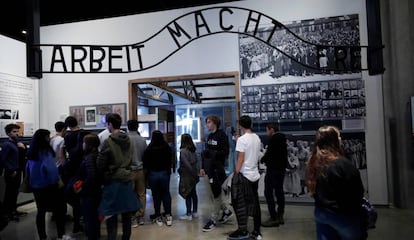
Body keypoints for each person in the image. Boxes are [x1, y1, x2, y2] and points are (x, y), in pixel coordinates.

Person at [306, 125, 365, 240]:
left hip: (321, 213)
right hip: (342, 215)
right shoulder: (343, 164)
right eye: (338, 136)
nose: (340, 139)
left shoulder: (313, 163)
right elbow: (358, 192)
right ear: (333, 140)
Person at [97, 113, 140, 240]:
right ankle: (126, 237)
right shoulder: (129, 140)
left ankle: (112, 237)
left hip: (113, 180)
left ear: (110, 124)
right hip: (127, 178)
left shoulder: (108, 142)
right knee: (126, 213)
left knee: (111, 214)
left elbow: (101, 163)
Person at [26, 129, 67, 240]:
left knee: (41, 211)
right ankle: (61, 235)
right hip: (49, 186)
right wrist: (58, 182)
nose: (50, 139)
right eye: (48, 137)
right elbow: (50, 169)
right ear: (44, 138)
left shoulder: (32, 153)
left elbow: (28, 170)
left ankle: (42, 236)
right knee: (59, 211)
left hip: (36, 187)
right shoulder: (45, 152)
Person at [228, 115, 262, 240]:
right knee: (255, 202)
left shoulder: (242, 140)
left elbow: (241, 158)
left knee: (242, 204)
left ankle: (243, 230)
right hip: (255, 174)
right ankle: (257, 231)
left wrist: (236, 173)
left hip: (245, 175)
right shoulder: (256, 138)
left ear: (240, 126)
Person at [201, 115, 232, 232]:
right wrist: (203, 166)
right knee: (212, 195)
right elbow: (207, 154)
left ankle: (213, 219)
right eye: (207, 122)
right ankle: (226, 211)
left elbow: (225, 152)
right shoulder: (209, 136)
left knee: (216, 194)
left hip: (218, 170)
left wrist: (213, 153)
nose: (207, 124)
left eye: (209, 122)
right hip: (210, 169)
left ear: (215, 123)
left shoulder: (221, 135)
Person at [62, 116, 89, 233]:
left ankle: (77, 222)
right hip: (84, 167)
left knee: (73, 195)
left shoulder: (67, 137)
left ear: (67, 125)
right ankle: (84, 220)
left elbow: (67, 152)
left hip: (72, 169)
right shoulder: (85, 133)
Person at [143, 130, 173, 227]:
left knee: (156, 196)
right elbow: (170, 159)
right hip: (164, 173)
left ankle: (158, 216)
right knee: (166, 194)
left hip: (153, 174)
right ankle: (168, 215)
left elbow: (145, 161)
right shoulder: (166, 147)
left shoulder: (150, 148)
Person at [260, 122, 288, 227]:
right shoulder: (282, 139)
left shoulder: (273, 139)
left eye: (267, 130)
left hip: (272, 169)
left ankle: (273, 216)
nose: (266, 132)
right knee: (279, 191)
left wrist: (263, 159)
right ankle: (280, 215)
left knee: (268, 192)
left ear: (271, 129)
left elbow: (269, 153)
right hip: (280, 169)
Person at [75, 134, 101, 240]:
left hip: (89, 192)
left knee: (89, 219)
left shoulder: (89, 157)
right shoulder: (97, 155)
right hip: (96, 191)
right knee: (95, 219)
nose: (82, 145)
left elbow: (91, 174)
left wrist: (83, 186)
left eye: (84, 143)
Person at [0, 123, 27, 221]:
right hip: (11, 172)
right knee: (10, 193)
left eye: (17, 131)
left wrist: (22, 149)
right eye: (14, 132)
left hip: (17, 171)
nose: (17, 134)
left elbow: (20, 157)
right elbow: (3, 159)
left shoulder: (16, 143)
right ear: (8, 133)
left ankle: (13, 210)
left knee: (15, 192)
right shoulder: (7, 145)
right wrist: (11, 170)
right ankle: (8, 213)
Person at [127, 119, 148, 227]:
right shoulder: (142, 140)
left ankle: (132, 217)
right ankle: (141, 216)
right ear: (137, 127)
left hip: (129, 170)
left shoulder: (125, 139)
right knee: (141, 194)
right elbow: (145, 155)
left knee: (130, 194)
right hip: (140, 170)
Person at [178, 134, 200, 221]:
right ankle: (195, 211)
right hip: (194, 175)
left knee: (187, 193)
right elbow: (197, 162)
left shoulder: (183, 151)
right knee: (194, 193)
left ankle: (188, 213)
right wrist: (196, 173)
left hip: (187, 175)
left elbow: (186, 164)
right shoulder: (193, 150)